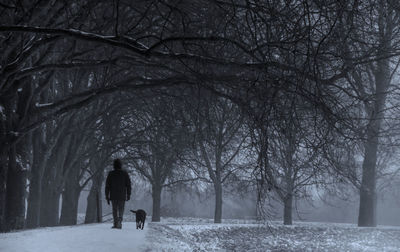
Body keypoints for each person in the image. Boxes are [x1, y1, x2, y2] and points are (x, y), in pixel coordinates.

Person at [105, 159, 131, 229]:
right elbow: (128, 185)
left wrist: (107, 196)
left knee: (114, 210)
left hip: (113, 195)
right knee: (121, 209)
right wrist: (128, 194)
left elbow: (107, 186)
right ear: (120, 165)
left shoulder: (111, 174)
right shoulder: (124, 174)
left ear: (114, 165)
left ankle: (115, 223)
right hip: (122, 195)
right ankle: (120, 220)